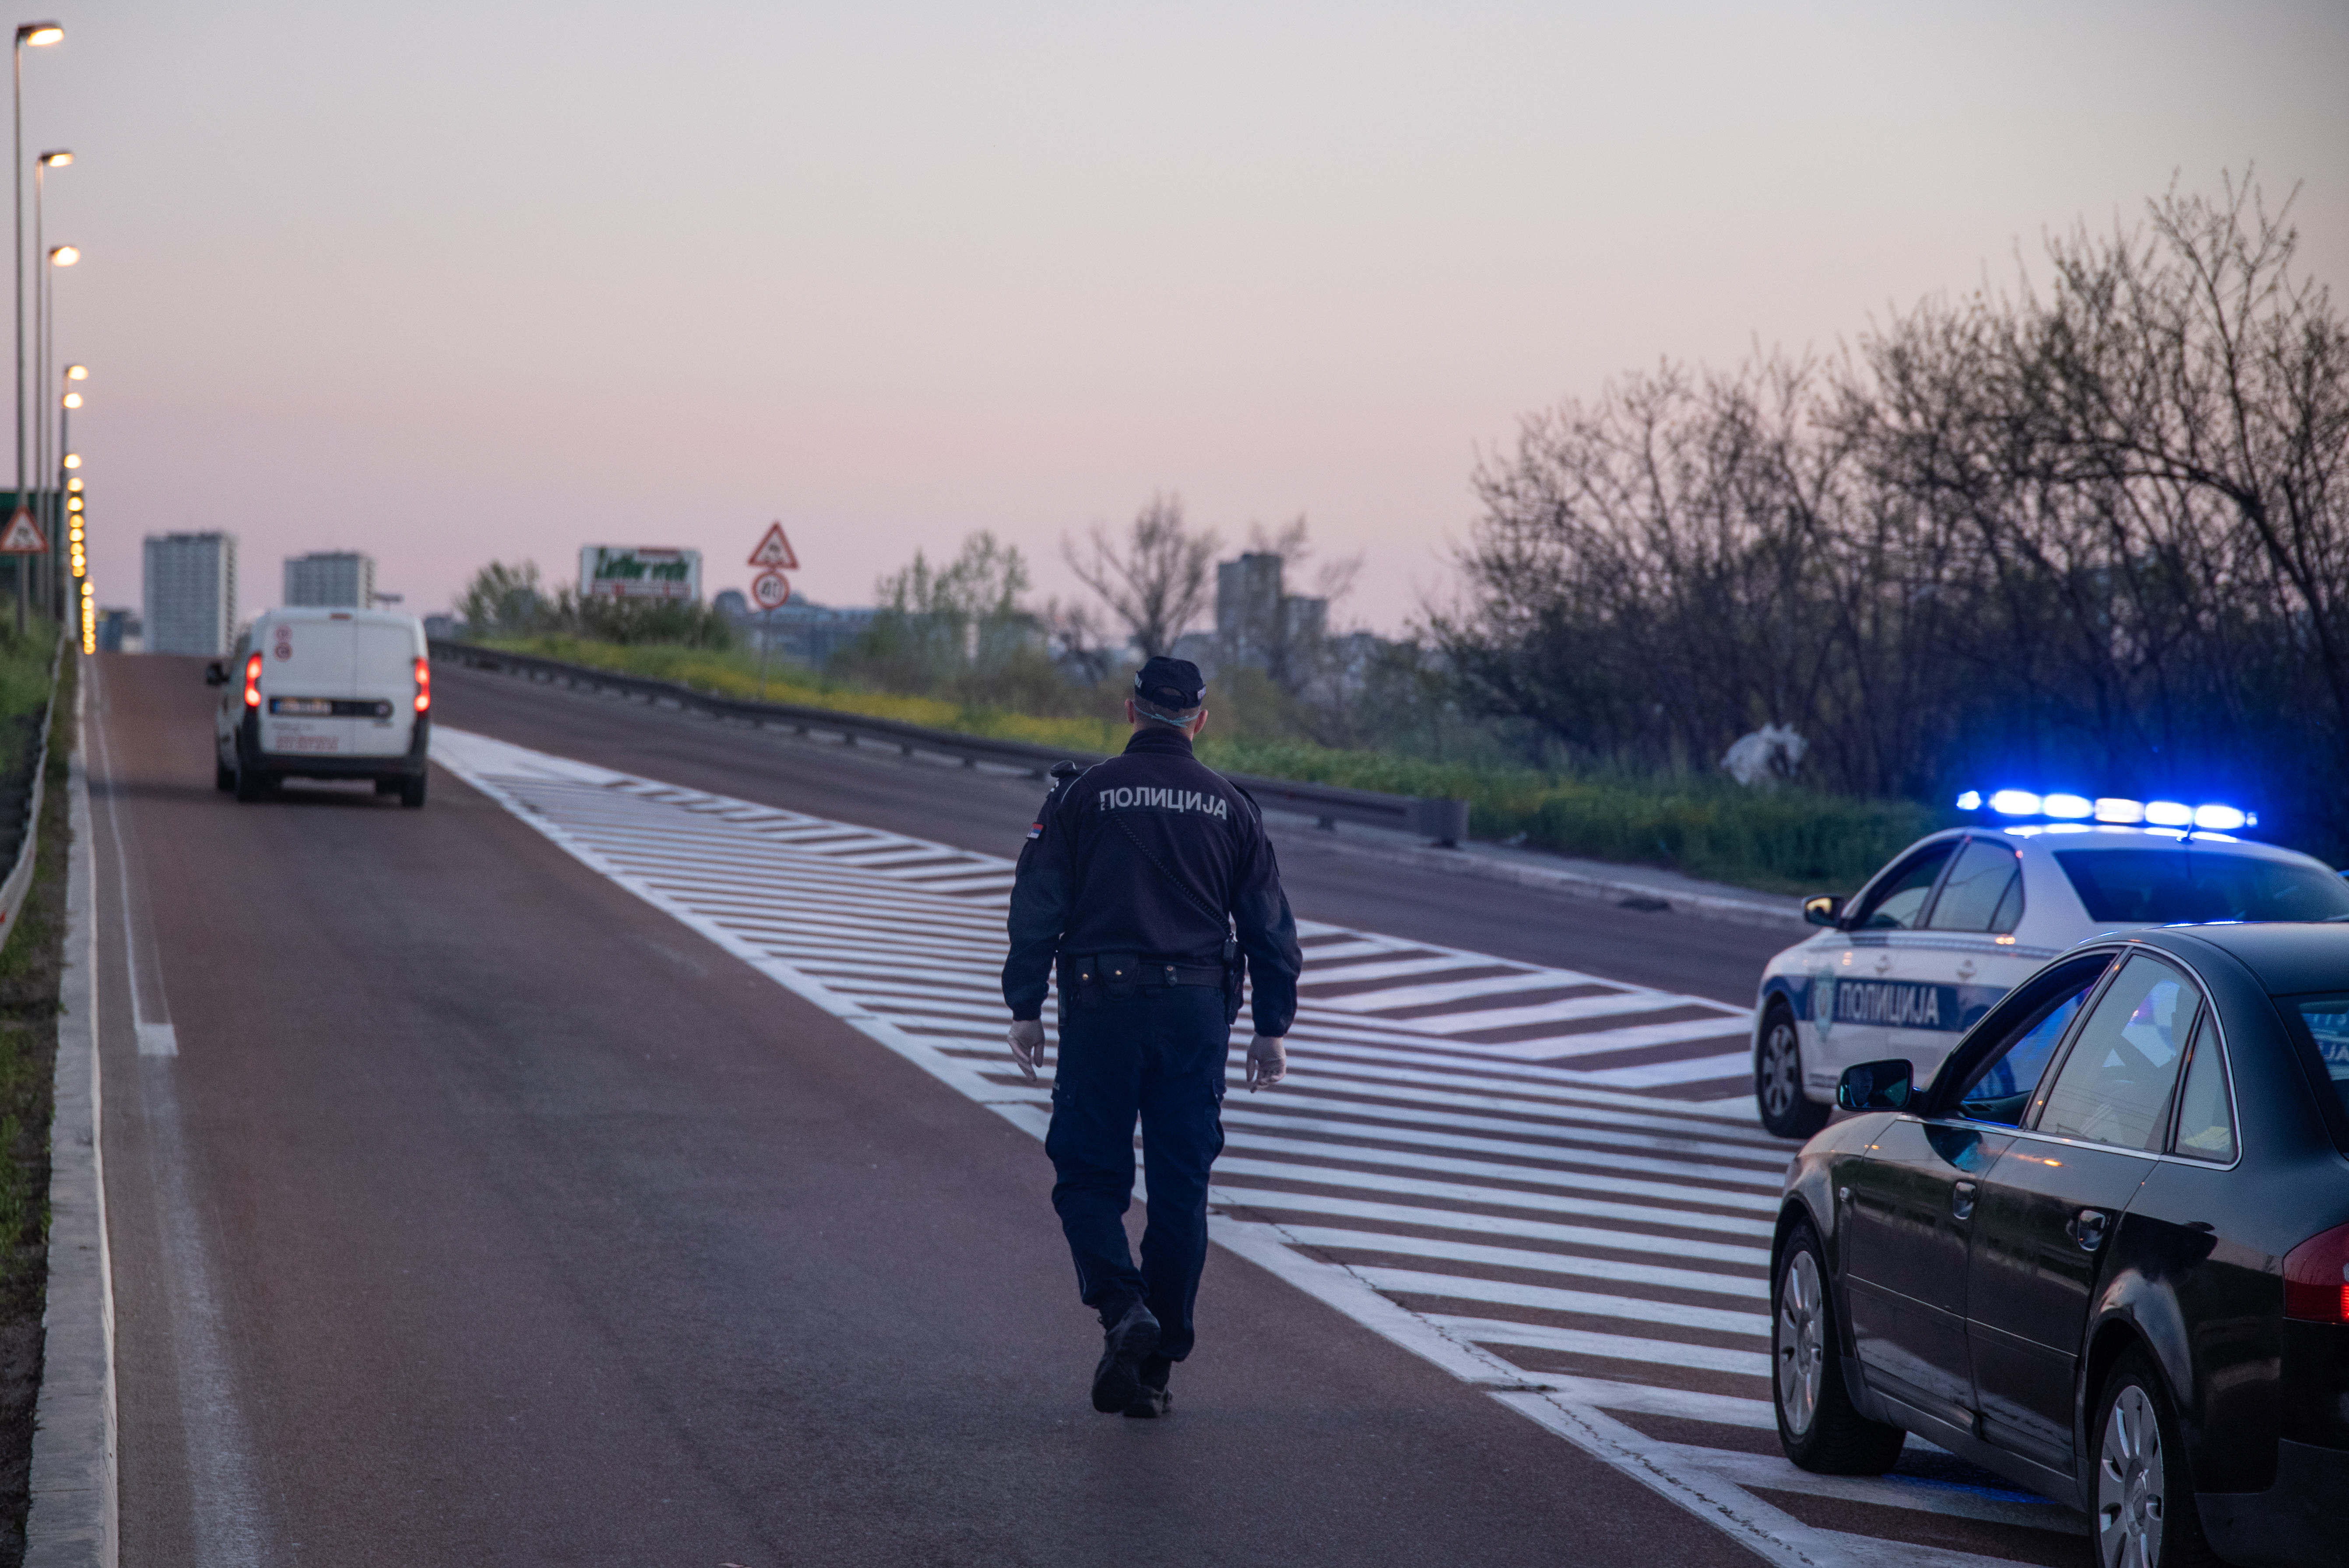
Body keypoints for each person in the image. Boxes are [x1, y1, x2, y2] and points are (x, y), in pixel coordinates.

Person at [1002, 655, 1302, 1419]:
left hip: (1102, 1010)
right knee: (1181, 1192)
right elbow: (1269, 927)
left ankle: (1121, 1309)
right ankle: (1157, 1366)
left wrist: (1025, 1004)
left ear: (1130, 711)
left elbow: (1037, 903)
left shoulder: (1082, 794)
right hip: (1197, 1016)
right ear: (1199, 721)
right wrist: (1272, 1026)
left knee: (1086, 1174)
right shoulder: (1233, 807)